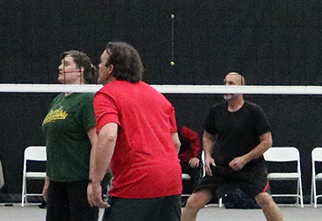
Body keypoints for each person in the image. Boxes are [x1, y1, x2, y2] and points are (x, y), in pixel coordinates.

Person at [87, 41, 183, 221]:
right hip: (171, 181)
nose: (98, 66)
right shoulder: (158, 96)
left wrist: (96, 181)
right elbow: (175, 142)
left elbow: (108, 136)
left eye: (101, 62)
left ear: (110, 69)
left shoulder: (106, 95)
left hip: (136, 182)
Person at [183, 72, 283, 221]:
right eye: (225, 83)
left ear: (242, 88)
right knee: (192, 202)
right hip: (221, 167)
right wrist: (208, 156)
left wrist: (245, 159)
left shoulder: (254, 111)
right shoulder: (216, 111)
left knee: (265, 200)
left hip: (250, 168)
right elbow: (208, 135)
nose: (226, 86)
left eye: (231, 83)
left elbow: (267, 141)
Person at [41, 50, 100, 221]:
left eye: (66, 64)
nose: (60, 68)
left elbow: (97, 142)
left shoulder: (88, 99)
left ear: (80, 70)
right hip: (58, 180)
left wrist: (93, 181)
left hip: (80, 178)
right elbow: (53, 142)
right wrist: (48, 179)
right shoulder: (58, 100)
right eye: (60, 64)